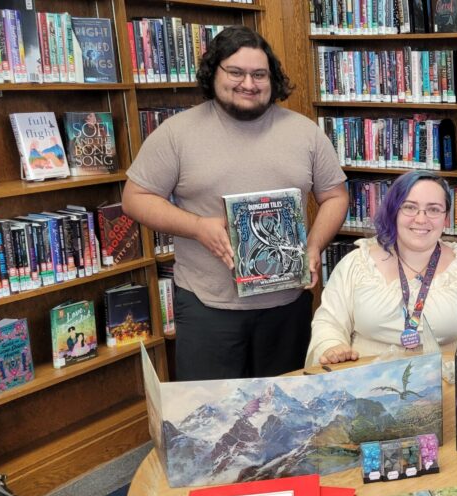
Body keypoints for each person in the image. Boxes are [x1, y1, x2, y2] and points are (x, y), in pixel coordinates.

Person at [122, 26, 349, 380]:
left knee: (286, 411)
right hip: (207, 305)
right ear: (214, 73)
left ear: (272, 78)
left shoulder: (304, 132)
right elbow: (134, 199)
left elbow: (335, 196)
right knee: (210, 415)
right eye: (236, 72)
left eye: (259, 74)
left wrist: (315, 245)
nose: (249, 83)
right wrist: (197, 227)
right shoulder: (177, 133)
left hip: (287, 304)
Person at [307, 171, 457, 366]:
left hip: (445, 385)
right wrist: (332, 346)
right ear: (394, 210)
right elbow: (328, 323)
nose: (421, 219)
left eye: (434, 209)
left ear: (446, 217)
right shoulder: (356, 264)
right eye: (410, 207)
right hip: (367, 384)